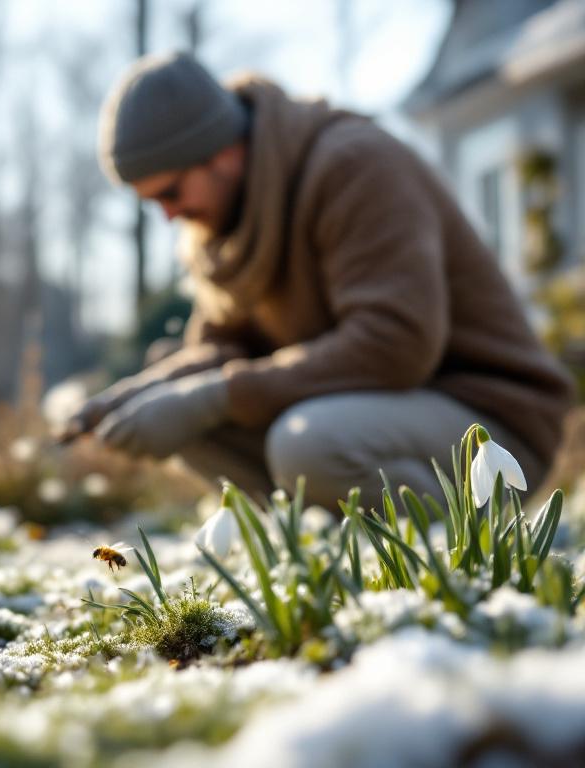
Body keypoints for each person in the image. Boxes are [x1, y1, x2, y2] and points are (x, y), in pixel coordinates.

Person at [64, 51, 576, 508]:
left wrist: (213, 397)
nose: (169, 215)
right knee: (192, 424)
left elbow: (395, 344)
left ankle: (457, 561)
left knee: (307, 445)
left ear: (222, 152)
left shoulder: (354, 166)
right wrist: (140, 393)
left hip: (490, 423)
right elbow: (222, 351)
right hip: (371, 419)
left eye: (171, 192)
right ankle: (319, 562)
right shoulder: (232, 224)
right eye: (151, 202)